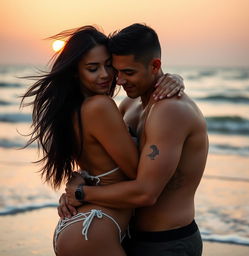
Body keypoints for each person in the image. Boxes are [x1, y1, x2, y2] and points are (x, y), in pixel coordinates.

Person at [21, 25, 184, 256]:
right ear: (77, 72)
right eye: (92, 68)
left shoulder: (77, 109)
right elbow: (138, 173)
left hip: (85, 228)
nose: (106, 75)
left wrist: (79, 184)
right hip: (94, 229)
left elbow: (96, 166)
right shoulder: (100, 106)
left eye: (109, 65)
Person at [64, 23, 208, 256]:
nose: (118, 80)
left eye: (128, 72)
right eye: (116, 70)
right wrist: (77, 185)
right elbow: (111, 168)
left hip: (166, 243)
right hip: (127, 236)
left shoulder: (171, 110)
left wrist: (81, 194)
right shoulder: (129, 105)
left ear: (155, 66)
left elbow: (145, 193)